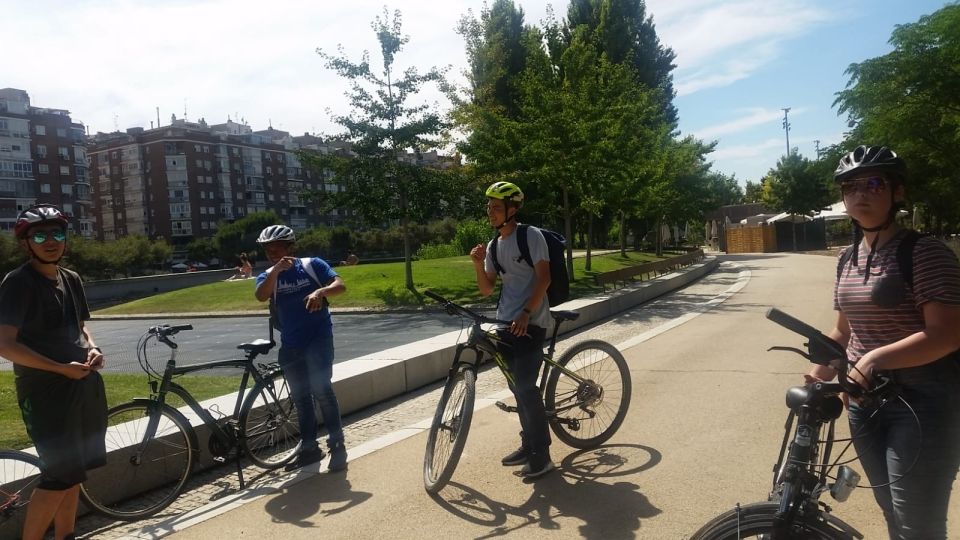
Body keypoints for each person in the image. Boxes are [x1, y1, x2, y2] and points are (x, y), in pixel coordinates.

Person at [807, 146, 960, 539]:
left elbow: (946, 333)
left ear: (898, 192)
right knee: (892, 513)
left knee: (917, 524)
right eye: (850, 186)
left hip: (923, 403)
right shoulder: (846, 258)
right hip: (865, 406)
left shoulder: (924, 253)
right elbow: (844, 331)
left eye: (874, 183)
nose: (861, 193)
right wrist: (817, 376)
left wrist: (872, 360)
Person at [0, 204, 107, 540]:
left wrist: (93, 347)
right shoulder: (18, 283)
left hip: (83, 385)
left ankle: (66, 536)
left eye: (57, 233)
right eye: (40, 235)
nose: (51, 241)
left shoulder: (71, 278)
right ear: (25, 243)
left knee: (74, 474)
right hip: (45, 393)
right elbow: (5, 344)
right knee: (59, 476)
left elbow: (80, 326)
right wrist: (60, 368)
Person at [470, 181, 555, 479]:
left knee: (526, 388)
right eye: (488, 207)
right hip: (506, 323)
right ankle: (527, 442)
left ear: (512, 209)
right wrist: (478, 264)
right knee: (515, 386)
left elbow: (545, 279)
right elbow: (486, 289)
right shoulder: (494, 246)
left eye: (496, 207)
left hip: (531, 322)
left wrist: (526, 312)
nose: (490, 212)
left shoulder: (529, 236)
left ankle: (542, 455)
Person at [254, 224, 349, 472]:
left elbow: (340, 285)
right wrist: (275, 271)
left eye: (277, 247)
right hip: (291, 344)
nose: (272, 252)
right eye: (267, 249)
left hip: (318, 339)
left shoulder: (311, 265)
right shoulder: (268, 275)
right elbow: (261, 296)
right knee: (300, 398)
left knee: (322, 390)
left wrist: (320, 291)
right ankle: (309, 449)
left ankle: (337, 445)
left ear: (290, 246)